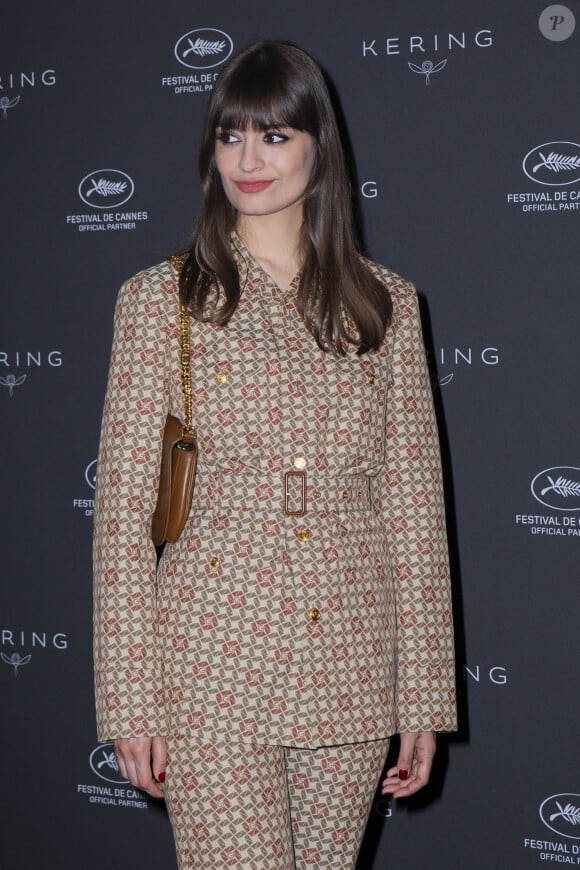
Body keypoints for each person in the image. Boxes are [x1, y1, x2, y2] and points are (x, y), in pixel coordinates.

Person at [93, 39, 456, 870]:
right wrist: (131, 701)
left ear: (318, 147)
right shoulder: (162, 300)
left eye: (275, 136)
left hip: (354, 665)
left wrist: (422, 699)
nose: (248, 159)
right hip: (211, 668)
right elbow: (121, 518)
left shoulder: (386, 305)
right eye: (230, 136)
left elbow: (415, 508)